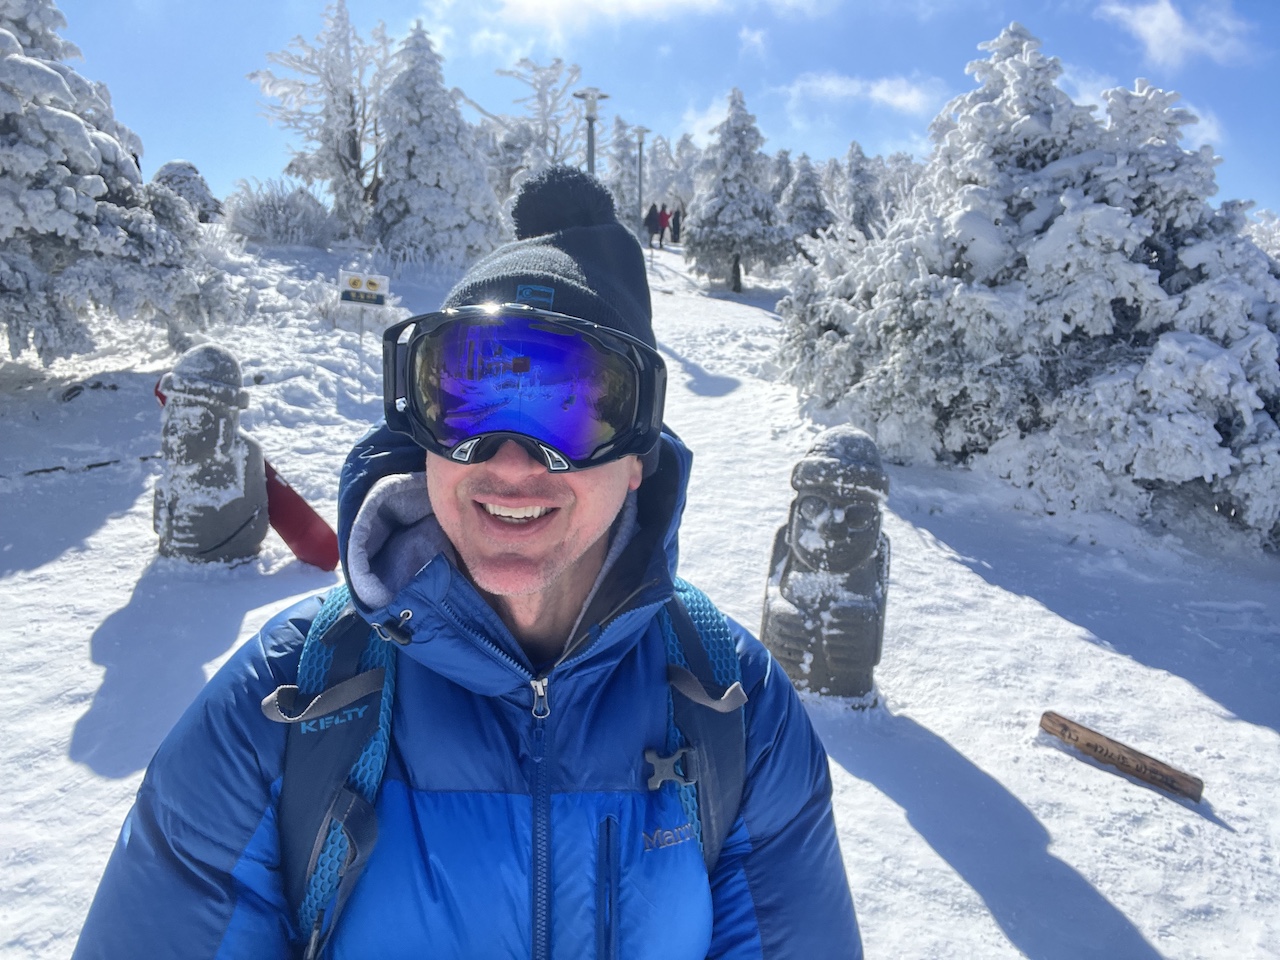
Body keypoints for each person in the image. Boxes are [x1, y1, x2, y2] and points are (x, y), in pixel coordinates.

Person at [72, 166, 862, 959]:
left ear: (636, 460)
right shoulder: (282, 708)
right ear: (421, 435)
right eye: (471, 402)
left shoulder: (734, 707)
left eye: (569, 409)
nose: (513, 464)